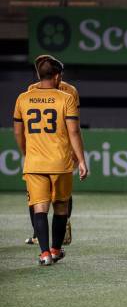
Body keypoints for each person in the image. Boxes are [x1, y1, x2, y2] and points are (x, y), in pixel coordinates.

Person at [13, 56, 88, 265]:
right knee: (61, 206)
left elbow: (18, 132)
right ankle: (55, 250)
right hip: (60, 162)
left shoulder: (23, 98)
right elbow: (74, 131)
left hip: (35, 163)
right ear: (57, 76)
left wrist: (27, 152)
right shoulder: (66, 97)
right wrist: (81, 159)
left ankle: (44, 253)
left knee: (40, 207)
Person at [24, 55, 80, 247]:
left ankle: (62, 227)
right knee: (36, 195)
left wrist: (74, 151)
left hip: (59, 148)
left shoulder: (70, 91)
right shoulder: (32, 90)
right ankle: (37, 233)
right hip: (42, 149)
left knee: (62, 195)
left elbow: (73, 124)